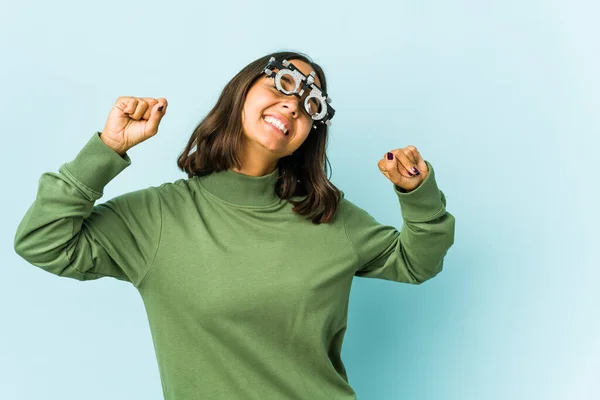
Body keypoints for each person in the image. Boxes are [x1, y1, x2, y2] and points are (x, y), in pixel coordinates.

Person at [13, 51, 455, 400]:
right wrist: (108, 148)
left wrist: (419, 195)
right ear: (243, 90)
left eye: (311, 105)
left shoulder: (328, 217)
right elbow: (42, 239)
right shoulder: (160, 218)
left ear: (310, 132)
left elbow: (416, 262)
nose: (293, 104)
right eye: (283, 83)